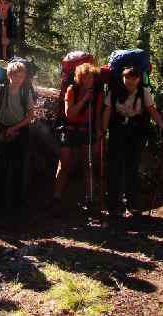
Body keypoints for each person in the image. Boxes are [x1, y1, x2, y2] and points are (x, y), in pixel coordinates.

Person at [101, 65, 163, 222]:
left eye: (134, 78)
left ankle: (132, 205)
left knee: (132, 168)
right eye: (127, 78)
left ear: (139, 79)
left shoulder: (144, 92)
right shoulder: (114, 92)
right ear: (122, 78)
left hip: (136, 133)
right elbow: (107, 111)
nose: (130, 81)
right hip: (117, 132)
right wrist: (102, 131)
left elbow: (151, 110)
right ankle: (113, 206)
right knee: (115, 168)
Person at [53, 62, 102, 214]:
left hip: (87, 130)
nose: (89, 80)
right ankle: (57, 197)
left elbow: (97, 115)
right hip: (69, 129)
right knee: (65, 163)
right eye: (86, 77)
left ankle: (90, 198)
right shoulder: (71, 90)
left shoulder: (98, 93)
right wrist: (85, 99)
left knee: (88, 164)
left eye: (91, 77)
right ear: (79, 78)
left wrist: (99, 133)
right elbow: (70, 114)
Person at [0, 60, 35, 217]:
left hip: (20, 132)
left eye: (21, 76)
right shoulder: (0, 91)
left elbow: (30, 115)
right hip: (2, 130)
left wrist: (15, 128)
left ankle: (17, 204)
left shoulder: (25, 92)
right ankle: (0, 204)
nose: (19, 79)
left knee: (18, 168)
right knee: (1, 168)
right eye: (16, 76)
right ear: (9, 75)